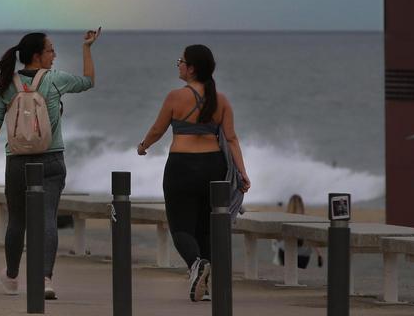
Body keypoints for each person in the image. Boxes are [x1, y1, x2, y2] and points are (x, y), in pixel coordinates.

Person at [0, 28, 102, 300]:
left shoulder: (8, 84)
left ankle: (13, 276)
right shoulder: (54, 80)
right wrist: (87, 48)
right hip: (51, 159)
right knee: (48, 218)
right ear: (38, 56)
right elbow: (88, 81)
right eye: (51, 50)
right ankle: (45, 279)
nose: (54, 55)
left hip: (17, 161)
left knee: (17, 220)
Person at [135, 44, 250, 303]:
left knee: (180, 227)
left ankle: (196, 264)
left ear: (192, 68)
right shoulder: (221, 100)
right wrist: (243, 173)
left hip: (182, 167)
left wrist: (143, 146)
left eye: (181, 61)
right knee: (206, 228)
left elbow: (157, 129)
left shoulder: (175, 97)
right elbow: (231, 139)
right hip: (214, 166)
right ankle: (205, 287)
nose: (178, 64)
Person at [275, 194, 321, 269]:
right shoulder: (307, 219)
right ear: (302, 205)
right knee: (299, 274)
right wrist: (319, 254)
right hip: (303, 254)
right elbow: (312, 238)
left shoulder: (285, 218)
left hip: (286, 251)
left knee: (287, 273)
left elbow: (278, 237)